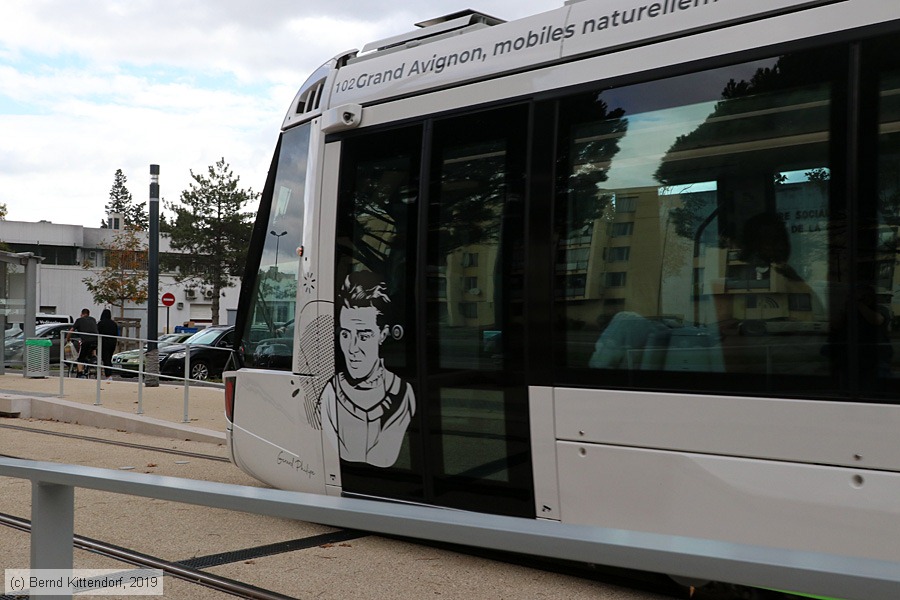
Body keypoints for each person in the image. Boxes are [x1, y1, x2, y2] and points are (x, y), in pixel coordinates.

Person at [318, 271, 416, 468]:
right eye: (345, 334)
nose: (352, 348)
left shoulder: (402, 395)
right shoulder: (329, 393)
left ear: (383, 334)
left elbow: (382, 458)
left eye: (363, 336)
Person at [66, 308, 99, 378]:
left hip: (86, 341)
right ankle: (93, 357)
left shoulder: (79, 320)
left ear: (82, 314)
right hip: (96, 340)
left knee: (81, 357)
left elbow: (71, 331)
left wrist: (68, 339)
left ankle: (80, 373)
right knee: (92, 346)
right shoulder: (93, 319)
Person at [97, 308, 119, 380]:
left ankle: (108, 375)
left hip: (103, 342)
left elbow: (98, 332)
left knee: (105, 358)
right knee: (109, 358)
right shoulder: (114, 324)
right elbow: (117, 333)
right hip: (112, 342)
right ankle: (109, 374)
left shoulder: (100, 323)